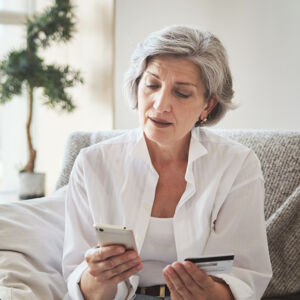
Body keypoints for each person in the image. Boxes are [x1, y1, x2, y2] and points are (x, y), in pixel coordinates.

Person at [62, 25, 272, 300]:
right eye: (152, 85)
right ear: (137, 86)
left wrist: (210, 293)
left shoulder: (237, 166)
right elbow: (78, 280)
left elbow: (247, 274)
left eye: (182, 93)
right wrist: (98, 276)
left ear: (207, 106)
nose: (160, 104)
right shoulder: (94, 163)